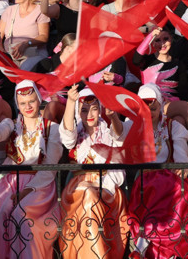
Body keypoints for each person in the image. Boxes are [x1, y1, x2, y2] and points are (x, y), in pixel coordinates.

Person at [0, 80, 63, 259]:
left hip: (40, 185)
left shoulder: (52, 128)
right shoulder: (12, 125)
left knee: (21, 214)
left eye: (31, 101)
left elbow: (51, 166)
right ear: (17, 105)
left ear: (39, 100)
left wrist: (27, 190)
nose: (28, 106)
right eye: (23, 103)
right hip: (11, 183)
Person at [59, 86, 129, 259]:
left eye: (94, 109)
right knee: (88, 194)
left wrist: (113, 116)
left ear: (100, 110)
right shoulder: (75, 133)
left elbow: (119, 140)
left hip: (106, 188)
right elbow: (67, 138)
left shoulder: (109, 132)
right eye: (84, 110)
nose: (89, 114)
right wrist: (70, 102)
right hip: (77, 188)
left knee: (90, 196)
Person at [127, 84, 188, 259]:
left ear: (161, 106)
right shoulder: (132, 125)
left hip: (169, 177)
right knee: (149, 191)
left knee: (177, 191)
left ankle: (171, 248)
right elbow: (119, 137)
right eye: (145, 108)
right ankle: (144, 240)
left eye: (154, 108)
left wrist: (182, 166)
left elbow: (180, 154)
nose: (150, 113)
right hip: (145, 179)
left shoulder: (173, 127)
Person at [0, 0, 49, 67]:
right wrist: (3, 53)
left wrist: (26, 44)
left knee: (26, 67)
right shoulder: (9, 10)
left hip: (33, 55)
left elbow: (44, 37)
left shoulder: (40, 11)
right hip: (10, 55)